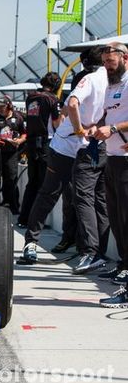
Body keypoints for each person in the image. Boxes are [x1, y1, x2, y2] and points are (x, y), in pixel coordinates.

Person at [19, 50, 107, 266]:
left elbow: (74, 105)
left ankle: (89, 250)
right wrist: (81, 128)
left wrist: (86, 127)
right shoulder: (99, 78)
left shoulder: (106, 79)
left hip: (82, 145)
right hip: (74, 145)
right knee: (80, 197)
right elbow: (73, 104)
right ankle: (91, 251)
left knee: (70, 196)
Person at [56, 49, 109, 274]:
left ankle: (90, 252)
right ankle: (101, 251)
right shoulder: (114, 80)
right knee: (102, 200)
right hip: (109, 145)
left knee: (83, 197)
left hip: (89, 146)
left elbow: (72, 103)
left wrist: (78, 129)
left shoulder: (90, 78)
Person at [91, 42, 128, 307]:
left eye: (111, 62)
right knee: (115, 216)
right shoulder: (111, 86)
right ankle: (123, 264)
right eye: (105, 62)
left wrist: (113, 128)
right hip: (112, 157)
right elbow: (108, 116)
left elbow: (117, 122)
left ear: (125, 58)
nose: (107, 66)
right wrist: (98, 127)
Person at [18, 72, 61, 227]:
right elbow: (56, 124)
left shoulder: (31, 97)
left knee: (32, 182)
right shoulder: (52, 99)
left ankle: (24, 218)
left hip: (31, 142)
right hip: (45, 142)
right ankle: (36, 221)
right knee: (44, 183)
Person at [0, 96, 26, 213]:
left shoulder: (18, 117)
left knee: (11, 178)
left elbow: (24, 134)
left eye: (2, 106)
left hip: (11, 152)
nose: (0, 109)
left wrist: (19, 141)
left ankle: (11, 204)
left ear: (9, 106)